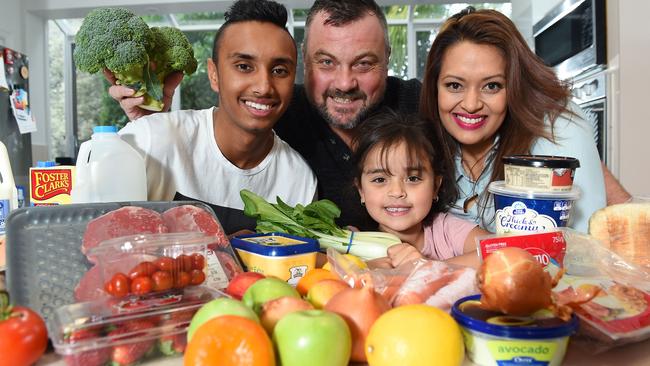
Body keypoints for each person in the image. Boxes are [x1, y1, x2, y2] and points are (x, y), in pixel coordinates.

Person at [117, 0, 317, 234]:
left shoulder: (299, 180)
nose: (264, 87)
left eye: (279, 71)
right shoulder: (150, 140)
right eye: (244, 66)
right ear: (214, 74)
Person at [419, 7, 605, 233]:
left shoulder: (558, 124)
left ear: (515, 87)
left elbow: (585, 245)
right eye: (454, 85)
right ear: (434, 88)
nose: (471, 104)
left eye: (492, 86)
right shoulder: (423, 141)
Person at [352, 109, 486, 268]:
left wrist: (429, 268)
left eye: (413, 178)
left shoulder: (445, 230)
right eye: (380, 179)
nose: (397, 192)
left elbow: (508, 249)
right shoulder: (351, 244)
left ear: (435, 186)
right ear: (361, 191)